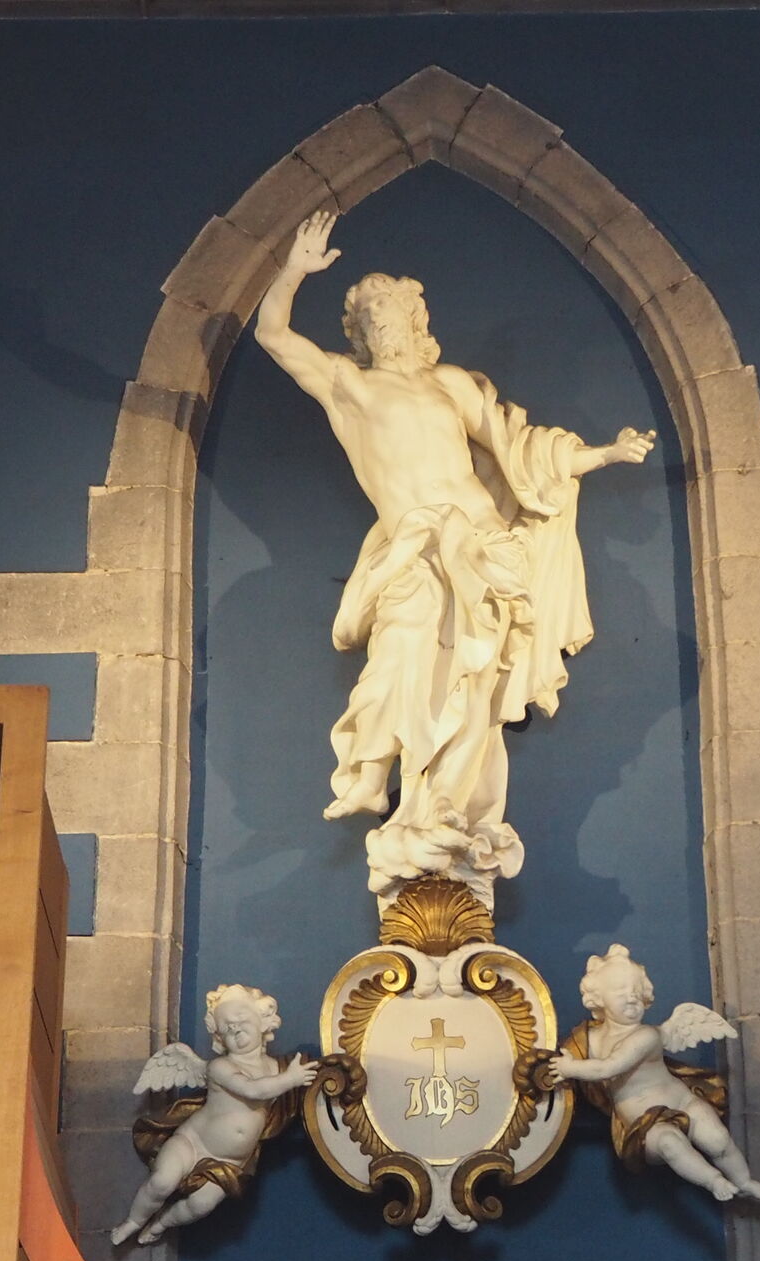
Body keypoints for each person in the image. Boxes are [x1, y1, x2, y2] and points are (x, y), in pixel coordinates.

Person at [255, 210, 657, 904]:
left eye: (393, 313)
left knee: (475, 689)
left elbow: (520, 451)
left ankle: (446, 811)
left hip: (484, 546)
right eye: (371, 318)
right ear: (358, 333)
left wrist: (604, 454)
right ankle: (391, 793)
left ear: (416, 322)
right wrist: (294, 270)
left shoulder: (451, 385)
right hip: (412, 551)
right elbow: (273, 335)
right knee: (402, 660)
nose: (384, 326)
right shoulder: (349, 386)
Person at [547, 945, 760, 1204]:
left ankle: (743, 1181)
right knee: (669, 1144)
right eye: (620, 991)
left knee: (718, 1139)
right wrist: (555, 1066)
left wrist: (569, 1068)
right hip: (644, 1124)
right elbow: (562, 1058)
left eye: (636, 991)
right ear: (598, 998)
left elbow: (607, 1068)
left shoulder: (647, 1036)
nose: (631, 997)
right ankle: (714, 1181)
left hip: (682, 1102)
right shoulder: (587, 1040)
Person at [112, 985, 314, 1246]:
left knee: (201, 1205)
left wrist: (296, 1077)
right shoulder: (221, 1067)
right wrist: (291, 1079)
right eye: (227, 1028)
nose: (235, 1029)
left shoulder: (281, 1069)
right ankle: (134, 1221)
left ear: (263, 1020)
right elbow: (252, 1089)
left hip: (230, 1162)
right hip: (192, 1143)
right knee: (162, 1182)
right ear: (220, 1038)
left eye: (241, 1019)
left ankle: (162, 1223)